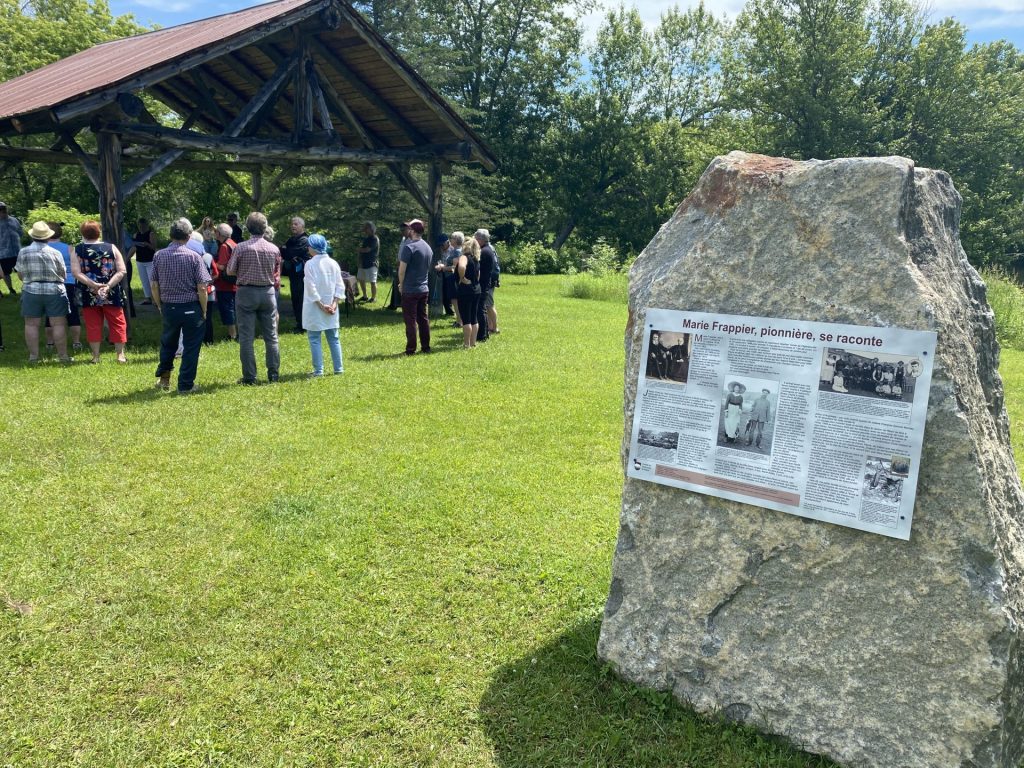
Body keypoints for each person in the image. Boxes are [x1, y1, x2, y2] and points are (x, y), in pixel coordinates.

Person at [150, 218, 211, 393]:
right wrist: (204, 310)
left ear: (170, 235)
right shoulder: (194, 257)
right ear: (189, 236)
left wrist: (160, 304)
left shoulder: (159, 255)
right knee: (191, 347)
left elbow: (154, 284)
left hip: (169, 307)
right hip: (191, 307)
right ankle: (186, 384)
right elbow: (202, 287)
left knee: (168, 343)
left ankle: (164, 380)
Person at [227, 212, 282, 385]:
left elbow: (229, 270)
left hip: (246, 293)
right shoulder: (274, 249)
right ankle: (273, 374)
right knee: (271, 336)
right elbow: (276, 269)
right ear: (265, 227)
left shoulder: (241, 247)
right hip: (267, 292)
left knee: (246, 337)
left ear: (247, 227)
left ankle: (249, 377)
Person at [72, 220, 128, 364]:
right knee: (117, 322)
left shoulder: (78, 249)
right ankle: (120, 355)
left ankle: (96, 356)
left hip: (88, 291)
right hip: (111, 291)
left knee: (92, 323)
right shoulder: (111, 247)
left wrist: (93, 285)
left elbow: (76, 273)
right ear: (99, 232)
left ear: (82, 233)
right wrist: (108, 285)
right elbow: (122, 270)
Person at [15, 221, 72, 362]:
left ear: (33, 236)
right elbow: (63, 274)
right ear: (47, 236)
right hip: (54, 289)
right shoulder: (55, 252)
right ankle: (63, 356)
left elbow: (20, 274)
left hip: (31, 290)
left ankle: (33, 357)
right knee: (58, 324)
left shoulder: (23, 251)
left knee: (31, 324)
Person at [303, 234, 345, 376]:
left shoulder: (310, 264)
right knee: (333, 338)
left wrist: (322, 305)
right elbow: (340, 286)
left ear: (312, 247)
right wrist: (334, 304)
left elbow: (311, 287)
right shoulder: (333, 263)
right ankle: (338, 368)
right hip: (331, 307)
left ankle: (318, 370)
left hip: (315, 306)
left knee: (315, 339)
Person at [45, 223, 82, 352]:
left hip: (50, 283)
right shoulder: (69, 248)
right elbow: (76, 266)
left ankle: (50, 343)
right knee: (72, 312)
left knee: (50, 313)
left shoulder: (43, 248)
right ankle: (76, 342)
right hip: (69, 282)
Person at [398, 218, 432, 355]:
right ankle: (426, 347)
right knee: (423, 319)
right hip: (424, 288)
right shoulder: (427, 247)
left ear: (412, 231)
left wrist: (401, 285)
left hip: (410, 289)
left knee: (410, 320)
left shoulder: (409, 247)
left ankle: (411, 349)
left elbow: (402, 270)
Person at [282, 216, 310, 333]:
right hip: (293, 275)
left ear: (302, 226)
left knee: (301, 300)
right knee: (295, 299)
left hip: (302, 276)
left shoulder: (304, 240)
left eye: (296, 224)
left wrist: (287, 252)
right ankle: (299, 323)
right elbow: (282, 251)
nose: (293, 226)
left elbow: (290, 251)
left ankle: (303, 326)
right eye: (292, 224)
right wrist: (287, 252)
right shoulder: (291, 240)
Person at [212, 223, 238, 341]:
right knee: (233, 308)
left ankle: (232, 335)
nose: (214, 233)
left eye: (216, 231)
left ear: (219, 233)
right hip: (234, 282)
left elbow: (222, 266)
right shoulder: (233, 244)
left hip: (225, 283)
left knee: (227, 309)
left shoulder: (224, 246)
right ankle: (235, 332)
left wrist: (211, 263)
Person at [455, 232, 480, 348]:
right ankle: (473, 343)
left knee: (466, 319)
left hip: (466, 291)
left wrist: (462, 278)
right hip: (476, 289)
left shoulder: (464, 257)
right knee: (474, 318)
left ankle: (466, 344)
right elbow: (478, 274)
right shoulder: (476, 259)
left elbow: (461, 267)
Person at [475, 228, 499, 338]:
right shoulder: (488, 249)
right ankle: (490, 326)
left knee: (488, 305)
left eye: (476, 238)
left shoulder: (485, 251)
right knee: (487, 305)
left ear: (480, 239)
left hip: (487, 282)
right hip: (489, 281)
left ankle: (494, 327)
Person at [129, 218, 157, 304]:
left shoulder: (150, 234)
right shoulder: (136, 235)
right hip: (139, 260)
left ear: (146, 225)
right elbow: (133, 246)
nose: (141, 227)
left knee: (152, 280)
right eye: (139, 225)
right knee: (144, 280)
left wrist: (147, 244)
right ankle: (148, 298)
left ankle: (155, 299)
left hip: (150, 260)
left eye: (143, 225)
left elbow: (154, 247)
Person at [0, 201, 23, 296]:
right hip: (3, 253)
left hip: (17, 251)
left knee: (22, 270)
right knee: (6, 273)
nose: (3, 211)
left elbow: (20, 232)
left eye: (4, 209)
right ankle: (11, 289)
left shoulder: (14, 220)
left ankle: (26, 288)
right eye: (1, 210)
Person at [441, 232, 462, 326]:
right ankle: (459, 320)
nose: (450, 240)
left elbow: (454, 268)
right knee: (454, 300)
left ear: (456, 240)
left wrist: (442, 268)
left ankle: (459, 321)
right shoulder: (455, 250)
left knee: (455, 300)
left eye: (452, 238)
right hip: (450, 278)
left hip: (453, 278)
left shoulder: (457, 251)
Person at [387, 223, 410, 310]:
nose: (402, 232)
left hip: (406, 266)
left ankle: (403, 305)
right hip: (399, 264)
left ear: (409, 229)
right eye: (401, 230)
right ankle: (394, 304)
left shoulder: (411, 240)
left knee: (403, 285)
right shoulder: (403, 239)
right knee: (396, 284)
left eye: (404, 230)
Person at [356, 221, 380, 302]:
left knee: (373, 281)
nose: (365, 230)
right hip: (363, 263)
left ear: (371, 228)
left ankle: (373, 298)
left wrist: (359, 249)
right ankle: (365, 296)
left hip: (372, 263)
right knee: (361, 279)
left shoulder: (374, 239)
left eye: (366, 228)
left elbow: (367, 250)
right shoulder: (366, 239)